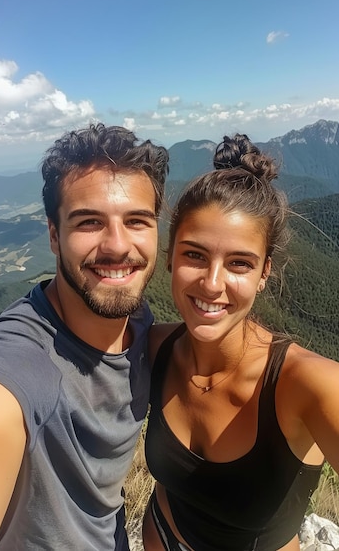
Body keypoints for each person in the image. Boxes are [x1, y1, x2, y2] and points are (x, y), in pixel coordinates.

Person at [142, 133, 339, 551]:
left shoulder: (308, 385)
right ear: (170, 257)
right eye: (194, 255)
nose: (212, 284)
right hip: (160, 534)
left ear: (264, 273)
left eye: (238, 263)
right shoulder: (153, 348)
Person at [0, 123, 169, 551]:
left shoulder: (139, 321)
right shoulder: (17, 365)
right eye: (90, 222)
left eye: (137, 221)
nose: (118, 246)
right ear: (54, 234)